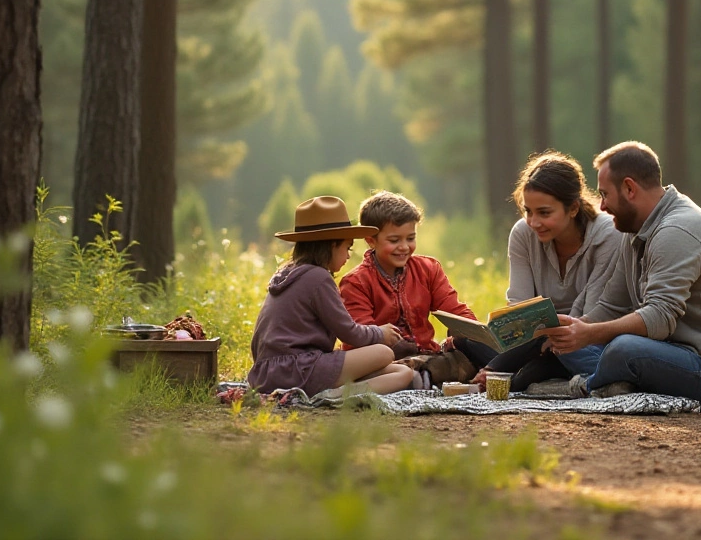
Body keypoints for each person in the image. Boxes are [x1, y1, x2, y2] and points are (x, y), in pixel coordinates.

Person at [538, 142, 701, 412]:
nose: (601, 206)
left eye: (604, 194)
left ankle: (590, 385)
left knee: (624, 349)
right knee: (573, 344)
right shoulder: (635, 231)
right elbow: (612, 305)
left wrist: (590, 334)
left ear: (629, 188)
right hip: (662, 352)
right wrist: (576, 330)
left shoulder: (676, 231)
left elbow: (660, 318)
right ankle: (615, 383)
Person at [472, 151, 619, 390]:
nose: (533, 222)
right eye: (528, 211)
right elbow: (519, 308)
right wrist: (532, 337)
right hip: (536, 340)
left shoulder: (608, 236)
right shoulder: (523, 233)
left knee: (534, 371)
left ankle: (497, 370)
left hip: (585, 340)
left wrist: (544, 339)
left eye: (544, 213)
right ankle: (511, 370)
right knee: (465, 338)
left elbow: (590, 317)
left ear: (572, 208)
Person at [246, 196, 415, 397]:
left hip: (269, 372)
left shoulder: (291, 273)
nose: (348, 255)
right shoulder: (317, 278)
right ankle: (330, 396)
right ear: (331, 245)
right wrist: (380, 333)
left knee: (402, 373)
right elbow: (349, 332)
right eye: (347, 247)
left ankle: (340, 391)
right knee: (384, 353)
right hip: (298, 369)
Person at [339, 191, 496, 384]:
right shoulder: (356, 282)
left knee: (465, 350)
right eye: (394, 240)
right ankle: (421, 377)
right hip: (384, 359)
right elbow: (360, 335)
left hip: (428, 354)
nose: (404, 247)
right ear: (371, 240)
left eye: (410, 238)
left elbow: (454, 310)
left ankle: (425, 376)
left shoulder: (428, 269)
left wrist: (477, 334)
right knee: (386, 365)